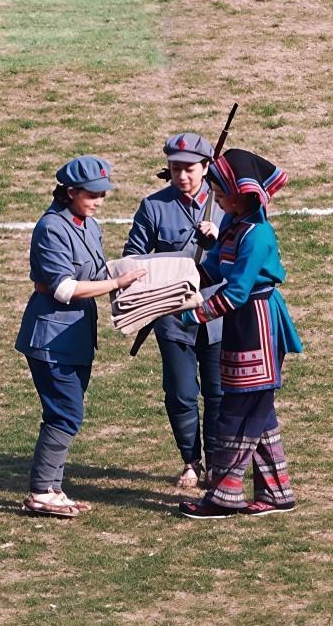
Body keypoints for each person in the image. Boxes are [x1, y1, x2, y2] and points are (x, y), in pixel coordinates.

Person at [16, 155, 146, 517]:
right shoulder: (52, 228)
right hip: (51, 338)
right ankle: (41, 491)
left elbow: (96, 273)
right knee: (66, 413)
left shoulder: (89, 225)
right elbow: (63, 289)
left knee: (64, 413)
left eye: (102, 194)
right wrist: (116, 283)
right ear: (71, 191)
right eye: (92, 194)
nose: (99, 201)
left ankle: (53, 489)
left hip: (76, 337)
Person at [177, 149, 303, 519]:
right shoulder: (233, 226)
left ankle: (223, 496)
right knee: (256, 411)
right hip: (240, 323)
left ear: (239, 195)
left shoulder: (257, 235)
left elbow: (236, 292)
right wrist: (173, 286)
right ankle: (277, 493)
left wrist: (195, 314)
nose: (215, 199)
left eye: (219, 193)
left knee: (239, 411)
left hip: (258, 324)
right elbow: (213, 270)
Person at [123, 133, 225, 488]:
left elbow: (245, 254)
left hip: (217, 313)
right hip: (173, 316)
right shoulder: (153, 207)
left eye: (189, 169)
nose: (182, 176)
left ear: (206, 168)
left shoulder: (225, 204)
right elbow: (133, 258)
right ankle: (190, 461)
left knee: (218, 392)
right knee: (181, 393)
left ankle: (216, 464)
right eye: (175, 168)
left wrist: (219, 239)